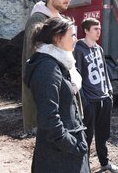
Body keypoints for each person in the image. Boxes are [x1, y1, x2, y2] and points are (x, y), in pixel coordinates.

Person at [23, 17, 90, 172]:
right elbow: (48, 119)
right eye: (72, 35)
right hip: (58, 156)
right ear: (57, 38)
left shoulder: (58, 63)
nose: (76, 39)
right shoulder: (47, 67)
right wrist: (72, 144)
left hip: (64, 151)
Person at [21, 0, 71, 135]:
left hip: (60, 85)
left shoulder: (60, 21)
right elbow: (33, 58)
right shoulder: (38, 19)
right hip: (45, 89)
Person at [73, 18, 118, 173]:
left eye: (99, 28)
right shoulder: (78, 49)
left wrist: (109, 93)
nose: (98, 31)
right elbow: (76, 77)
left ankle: (105, 163)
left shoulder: (99, 49)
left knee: (103, 135)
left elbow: (105, 73)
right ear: (86, 30)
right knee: (87, 137)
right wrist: (84, 101)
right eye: (95, 29)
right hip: (90, 101)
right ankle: (84, 167)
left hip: (104, 99)